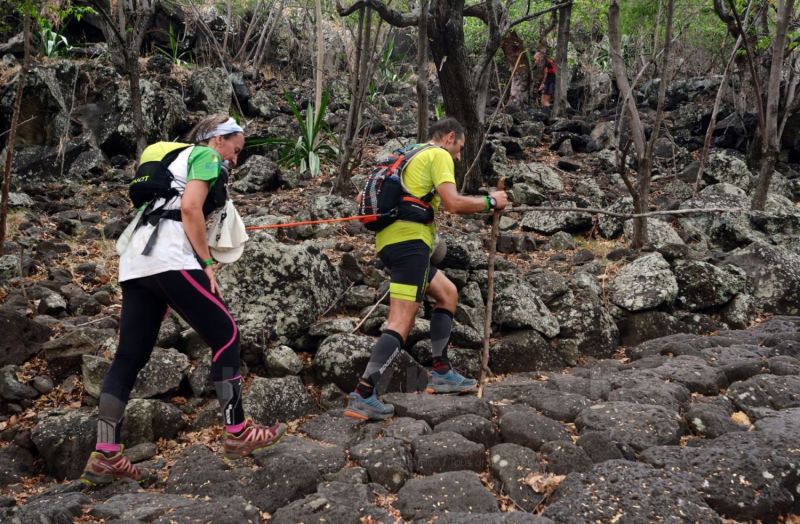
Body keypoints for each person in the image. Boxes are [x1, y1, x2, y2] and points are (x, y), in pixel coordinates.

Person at [81, 115, 286, 486]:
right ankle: (237, 431)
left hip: (135, 262)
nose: (235, 160)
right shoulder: (206, 156)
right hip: (170, 257)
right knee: (226, 335)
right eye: (236, 150)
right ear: (218, 139)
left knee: (130, 355)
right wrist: (206, 262)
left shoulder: (174, 161)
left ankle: (106, 453)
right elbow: (191, 208)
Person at [344, 118, 508, 421]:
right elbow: (453, 203)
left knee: (447, 293)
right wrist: (490, 201)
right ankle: (364, 393)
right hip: (410, 245)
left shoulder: (409, 154)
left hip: (392, 243)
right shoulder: (438, 155)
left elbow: (361, 198)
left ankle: (441, 372)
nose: (458, 158)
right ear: (449, 138)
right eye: (459, 149)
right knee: (401, 320)